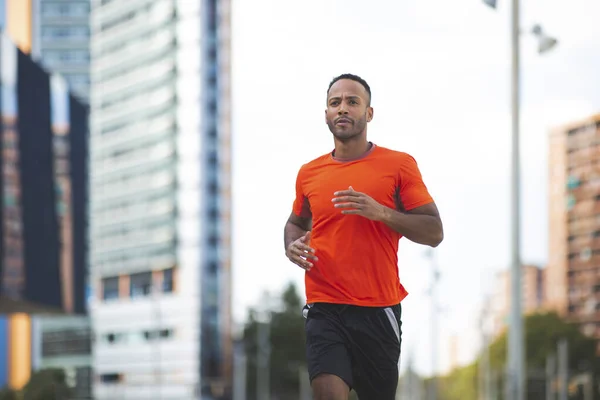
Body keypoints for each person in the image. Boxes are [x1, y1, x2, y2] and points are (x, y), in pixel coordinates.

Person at [283, 73, 444, 400]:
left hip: (378, 309)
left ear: (368, 113)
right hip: (324, 306)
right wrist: (292, 245)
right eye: (335, 103)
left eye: (352, 102)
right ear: (326, 114)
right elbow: (295, 222)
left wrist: (382, 212)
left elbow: (434, 232)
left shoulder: (399, 165)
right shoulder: (309, 173)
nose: (343, 108)